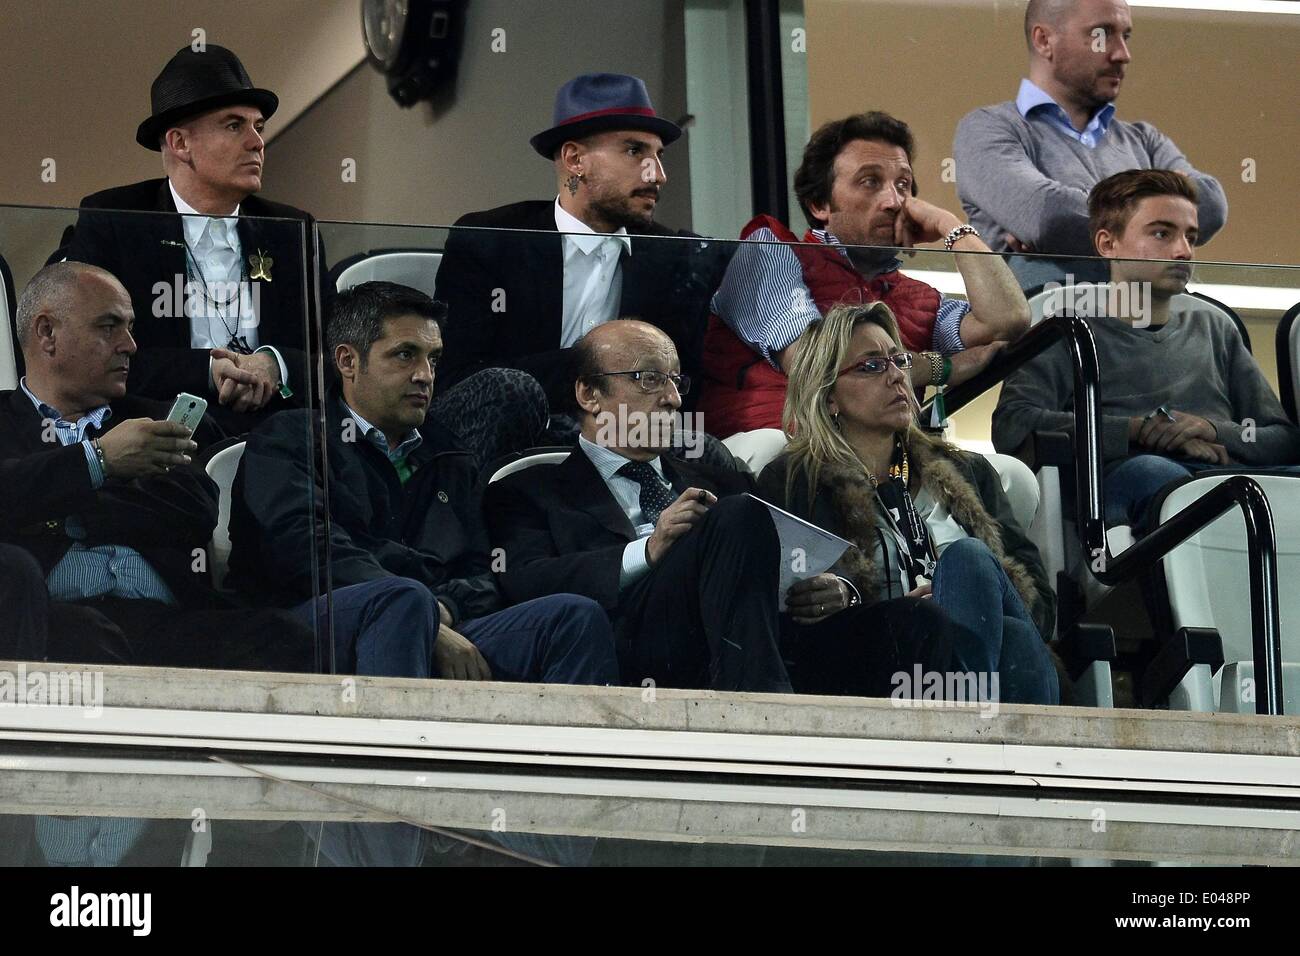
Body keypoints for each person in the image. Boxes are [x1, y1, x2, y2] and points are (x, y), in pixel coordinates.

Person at [227, 281, 617, 686]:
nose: (424, 375)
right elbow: (304, 551)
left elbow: (484, 571)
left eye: (433, 359)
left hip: (431, 621)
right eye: (405, 355)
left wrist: (441, 610)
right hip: (300, 629)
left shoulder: (450, 455)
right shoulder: (290, 438)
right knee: (403, 602)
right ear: (347, 361)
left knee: (573, 616)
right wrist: (419, 608)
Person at [0, 261, 314, 672]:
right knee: (86, 636)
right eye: (109, 327)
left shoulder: (166, 418)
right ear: (47, 334)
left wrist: (57, 508)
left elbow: (194, 508)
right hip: (53, 621)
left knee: (285, 637)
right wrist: (101, 462)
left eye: (130, 328)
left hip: (170, 622)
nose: (130, 345)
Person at [758, 302, 1060, 705]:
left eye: (899, 361)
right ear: (828, 396)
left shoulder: (968, 471)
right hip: (880, 668)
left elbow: (1041, 605)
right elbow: (780, 615)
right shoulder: (796, 482)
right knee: (1002, 626)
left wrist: (971, 597)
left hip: (993, 668)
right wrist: (869, 602)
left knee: (974, 571)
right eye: (871, 366)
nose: (897, 376)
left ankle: (957, 728)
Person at [484, 319, 794, 693]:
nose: (673, 399)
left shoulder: (726, 482)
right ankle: (759, 710)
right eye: (649, 378)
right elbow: (525, 582)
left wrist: (820, 585)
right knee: (734, 515)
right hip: (623, 647)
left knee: (880, 621)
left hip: (733, 634)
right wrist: (646, 551)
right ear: (588, 394)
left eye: (677, 381)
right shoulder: (527, 490)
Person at [992, 169, 1300, 527]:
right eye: (1162, 233)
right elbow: (1013, 424)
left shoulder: (1215, 328)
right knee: (1155, 473)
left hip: (1220, 479)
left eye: (1191, 236)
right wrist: (1139, 431)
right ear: (1108, 244)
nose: (1183, 250)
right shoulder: (1064, 332)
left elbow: (1283, 438)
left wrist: (1211, 430)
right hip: (1127, 487)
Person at [699, 111, 1029, 438]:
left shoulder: (920, 297)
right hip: (771, 456)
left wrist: (950, 226)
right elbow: (819, 363)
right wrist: (940, 368)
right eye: (870, 181)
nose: (894, 201)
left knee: (1012, 477)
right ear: (819, 204)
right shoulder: (769, 246)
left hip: (881, 462)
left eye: (903, 185)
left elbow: (1008, 319)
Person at [435, 73, 731, 425]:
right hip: (518, 437)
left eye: (659, 155)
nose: (658, 174)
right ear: (575, 159)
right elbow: (459, 381)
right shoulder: (491, 240)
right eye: (635, 150)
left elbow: (685, 384)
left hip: (627, 440)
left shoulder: (674, 256)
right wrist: (604, 367)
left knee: (710, 454)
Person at [62, 44, 320, 433]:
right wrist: (206, 370)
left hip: (280, 434)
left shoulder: (291, 228)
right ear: (181, 144)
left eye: (259, 127)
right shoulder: (117, 219)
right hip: (161, 432)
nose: (257, 142)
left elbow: (337, 353)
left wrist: (274, 364)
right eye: (235, 125)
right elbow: (91, 355)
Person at [954, 0, 1227, 290]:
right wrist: (1154, 219)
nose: (1123, 54)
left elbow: (1211, 204)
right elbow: (1049, 216)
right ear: (1044, 40)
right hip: (1050, 328)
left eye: (1126, 36)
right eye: (1102, 34)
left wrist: (1071, 231)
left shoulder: (1145, 139)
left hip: (1151, 328)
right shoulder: (987, 128)